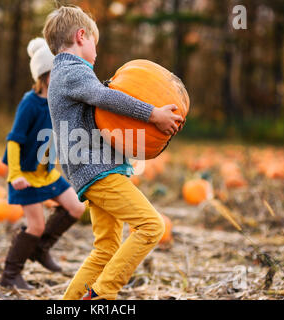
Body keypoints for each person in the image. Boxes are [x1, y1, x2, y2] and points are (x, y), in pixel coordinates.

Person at [43, 6, 184, 300]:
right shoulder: (71, 71)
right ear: (81, 36)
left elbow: (101, 114)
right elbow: (105, 97)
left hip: (94, 170)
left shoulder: (67, 74)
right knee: (151, 226)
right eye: (95, 41)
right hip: (95, 170)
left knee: (106, 248)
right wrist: (152, 114)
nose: (96, 50)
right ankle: (102, 295)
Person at [0, 37, 86, 290]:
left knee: (76, 208)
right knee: (35, 225)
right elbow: (14, 141)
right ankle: (10, 275)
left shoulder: (58, 102)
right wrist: (14, 174)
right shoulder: (30, 104)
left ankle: (40, 248)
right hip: (24, 175)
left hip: (46, 174)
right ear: (46, 76)